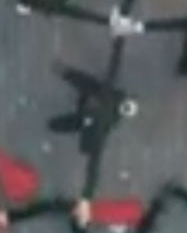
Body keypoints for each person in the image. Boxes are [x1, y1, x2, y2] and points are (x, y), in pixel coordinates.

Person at [49, 45, 141, 194]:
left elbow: (112, 71)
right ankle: (54, 125)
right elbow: (100, 135)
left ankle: (64, 72)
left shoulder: (113, 97)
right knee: (74, 122)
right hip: (88, 114)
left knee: (86, 84)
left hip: (90, 100)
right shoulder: (111, 120)